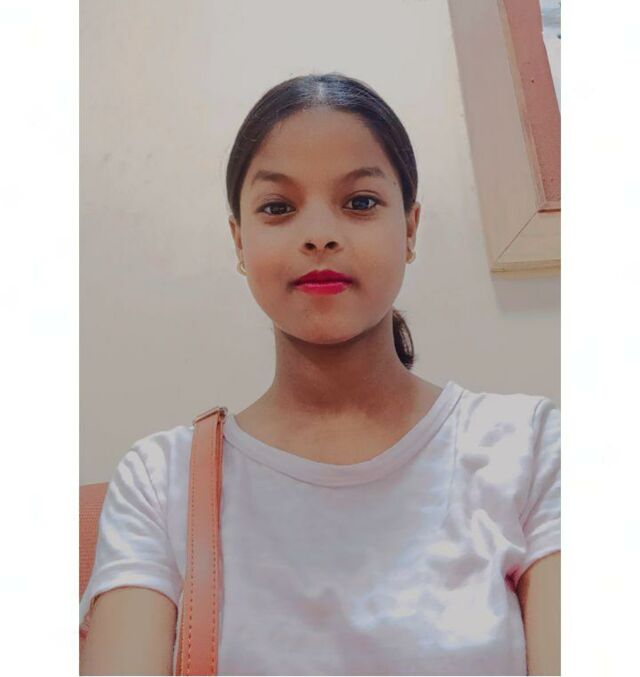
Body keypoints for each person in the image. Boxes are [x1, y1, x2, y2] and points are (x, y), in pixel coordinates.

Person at [79, 72, 560, 676]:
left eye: (360, 202)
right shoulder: (159, 481)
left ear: (410, 228)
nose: (320, 237)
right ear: (239, 242)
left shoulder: (529, 447)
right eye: (278, 208)